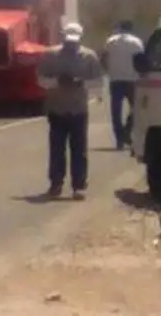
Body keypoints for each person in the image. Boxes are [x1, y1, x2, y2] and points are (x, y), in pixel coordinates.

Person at [36, 22, 104, 200]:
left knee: (79, 149)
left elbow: (97, 82)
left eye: (74, 42)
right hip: (57, 108)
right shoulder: (51, 55)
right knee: (57, 148)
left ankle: (79, 185)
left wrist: (80, 82)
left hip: (78, 109)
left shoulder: (89, 57)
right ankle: (56, 184)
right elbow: (41, 80)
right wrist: (58, 81)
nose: (70, 45)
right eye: (68, 41)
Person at [102, 20, 145, 151]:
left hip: (115, 79)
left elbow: (104, 58)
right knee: (136, 109)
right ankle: (127, 131)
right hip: (132, 79)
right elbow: (141, 60)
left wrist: (108, 71)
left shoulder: (110, 41)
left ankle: (119, 139)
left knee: (116, 111)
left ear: (120, 28)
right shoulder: (137, 42)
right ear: (131, 29)